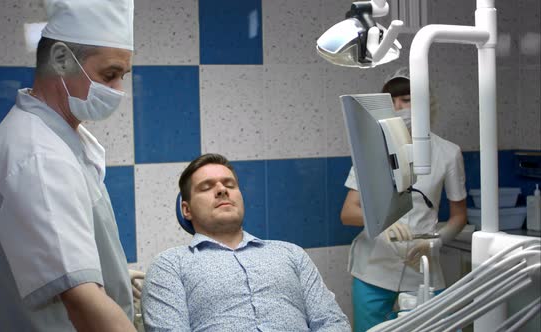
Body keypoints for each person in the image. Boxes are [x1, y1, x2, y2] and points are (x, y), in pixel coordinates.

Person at [0, 1, 141, 330]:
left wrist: (112, 277)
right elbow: (83, 303)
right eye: (109, 75)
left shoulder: (60, 139)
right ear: (61, 59)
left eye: (123, 76)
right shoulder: (38, 157)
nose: (119, 90)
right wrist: (99, 292)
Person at [141, 153, 351, 332]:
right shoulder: (170, 265)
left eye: (230, 184)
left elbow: (332, 322)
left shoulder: (290, 253)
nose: (222, 190)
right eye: (206, 187)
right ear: (186, 210)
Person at [340, 67, 468, 332]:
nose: (399, 107)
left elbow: (459, 216)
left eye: (407, 100)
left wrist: (436, 243)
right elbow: (348, 213)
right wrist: (382, 222)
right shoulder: (370, 151)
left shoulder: (448, 153)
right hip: (373, 269)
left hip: (423, 268)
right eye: (392, 101)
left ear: (425, 103)